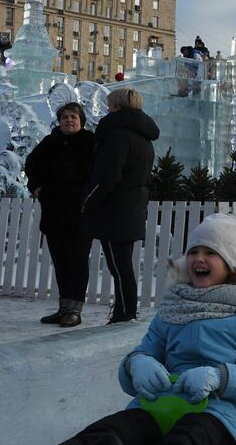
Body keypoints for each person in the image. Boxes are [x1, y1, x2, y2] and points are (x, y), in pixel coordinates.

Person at [0, 214, 236, 445]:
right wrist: (138, 365)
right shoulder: (174, 308)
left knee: (188, 438)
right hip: (158, 406)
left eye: (211, 253)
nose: (198, 259)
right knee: (110, 432)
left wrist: (221, 377)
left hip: (219, 417)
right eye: (193, 251)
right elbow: (138, 360)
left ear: (232, 264)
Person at [79, 87, 159, 324]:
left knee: (119, 266)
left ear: (116, 107)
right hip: (132, 207)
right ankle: (125, 311)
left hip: (114, 210)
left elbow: (108, 177)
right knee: (123, 264)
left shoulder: (118, 136)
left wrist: (87, 202)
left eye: (110, 105)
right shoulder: (144, 138)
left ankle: (124, 313)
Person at [24, 102, 96, 327]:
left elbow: (97, 174)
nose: (69, 120)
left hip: (80, 213)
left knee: (77, 261)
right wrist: (36, 187)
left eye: (73, 116)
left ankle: (75, 308)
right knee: (61, 262)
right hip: (54, 212)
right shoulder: (50, 142)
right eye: (65, 116)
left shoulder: (90, 143)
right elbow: (31, 165)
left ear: (81, 120)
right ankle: (63, 307)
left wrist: (87, 198)